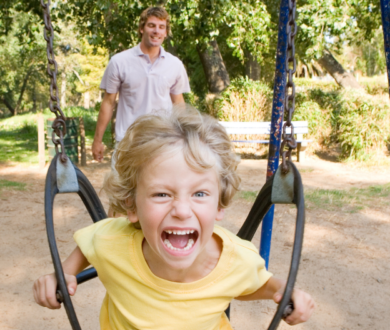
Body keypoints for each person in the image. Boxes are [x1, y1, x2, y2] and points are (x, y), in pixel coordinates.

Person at [33, 107, 315, 330]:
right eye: (161, 195)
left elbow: (255, 283)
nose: (181, 210)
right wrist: (62, 275)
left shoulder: (236, 259)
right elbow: (90, 244)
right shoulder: (113, 240)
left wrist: (285, 292)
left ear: (220, 202)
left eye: (200, 194)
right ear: (131, 206)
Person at [92, 6, 190, 163]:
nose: (156, 31)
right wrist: (97, 140)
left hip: (163, 142)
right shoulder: (120, 61)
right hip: (128, 142)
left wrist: (187, 138)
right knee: (121, 187)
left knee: (159, 187)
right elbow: (108, 102)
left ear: (165, 32)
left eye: (161, 27)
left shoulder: (175, 65)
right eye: (151, 25)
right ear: (141, 29)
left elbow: (179, 103)